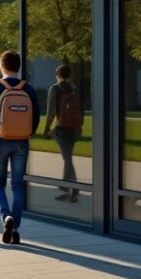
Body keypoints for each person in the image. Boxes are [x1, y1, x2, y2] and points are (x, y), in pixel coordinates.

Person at [0, 50, 39, 245]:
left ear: (1, 66)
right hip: (22, 141)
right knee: (17, 185)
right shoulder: (28, 88)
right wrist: (26, 132)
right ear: (19, 66)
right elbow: (36, 117)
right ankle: (15, 228)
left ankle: (6, 216)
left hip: (0, 140)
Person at [41, 65, 81, 203]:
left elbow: (51, 112)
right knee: (68, 157)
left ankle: (73, 188)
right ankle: (66, 187)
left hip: (62, 129)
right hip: (75, 129)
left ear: (57, 74)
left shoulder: (55, 89)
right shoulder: (74, 88)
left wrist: (46, 129)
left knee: (67, 159)